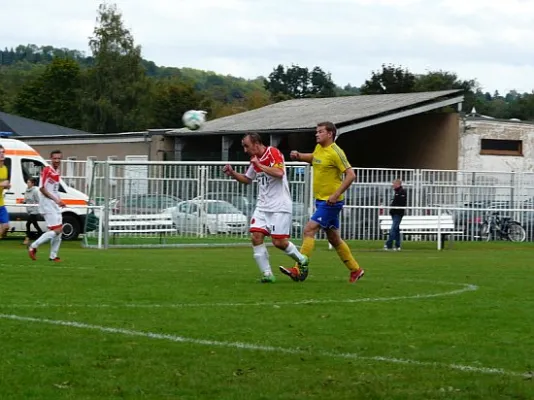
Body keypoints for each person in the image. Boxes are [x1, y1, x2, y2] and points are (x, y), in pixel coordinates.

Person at [280, 121, 365, 283]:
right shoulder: (320, 148)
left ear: (330, 134)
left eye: (320, 132)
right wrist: (299, 156)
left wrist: (336, 194)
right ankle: (355, 270)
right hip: (321, 201)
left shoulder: (336, 152)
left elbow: (351, 175)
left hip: (331, 202)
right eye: (316, 132)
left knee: (309, 230)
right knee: (333, 239)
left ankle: (300, 268)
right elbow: (314, 158)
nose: (316, 134)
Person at [223, 133, 309, 283]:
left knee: (279, 242)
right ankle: (267, 274)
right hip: (262, 206)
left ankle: (302, 260)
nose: (245, 150)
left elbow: (279, 173)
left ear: (256, 143)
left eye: (246, 146)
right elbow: (247, 179)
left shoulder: (273, 153)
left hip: (279, 205)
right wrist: (232, 173)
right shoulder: (254, 160)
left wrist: (260, 166)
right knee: (256, 237)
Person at [28, 150, 66, 262]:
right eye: (55, 158)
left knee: (59, 230)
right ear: (50, 159)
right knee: (57, 229)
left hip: (54, 203)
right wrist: (56, 200)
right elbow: (42, 189)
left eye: (59, 158)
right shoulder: (47, 170)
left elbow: (54, 190)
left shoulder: (56, 171)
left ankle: (53, 256)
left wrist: (59, 201)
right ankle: (33, 246)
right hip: (47, 203)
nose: (57, 160)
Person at [384, 179, 407, 251]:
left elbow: (401, 203)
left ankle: (389, 244)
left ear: (398, 184)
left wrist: (393, 205)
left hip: (398, 213)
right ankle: (397, 245)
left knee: (393, 229)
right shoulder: (396, 191)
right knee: (396, 229)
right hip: (394, 213)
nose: (392, 185)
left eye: (394, 184)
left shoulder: (402, 192)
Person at [23, 177, 43, 245]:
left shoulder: (35, 191)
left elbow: (38, 201)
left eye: (29, 182)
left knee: (28, 224)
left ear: (32, 184)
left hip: (34, 210)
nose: (27, 183)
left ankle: (27, 238)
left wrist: (35, 206)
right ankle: (42, 235)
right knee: (35, 225)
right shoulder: (26, 190)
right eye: (27, 182)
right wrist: (23, 201)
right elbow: (25, 199)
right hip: (29, 210)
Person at [0, 145, 11, 239]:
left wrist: (7, 186)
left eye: (3, 152)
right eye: (0, 153)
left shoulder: (5, 169)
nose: (1, 154)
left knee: (6, 226)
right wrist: (2, 184)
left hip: (1, 202)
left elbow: (4, 184)